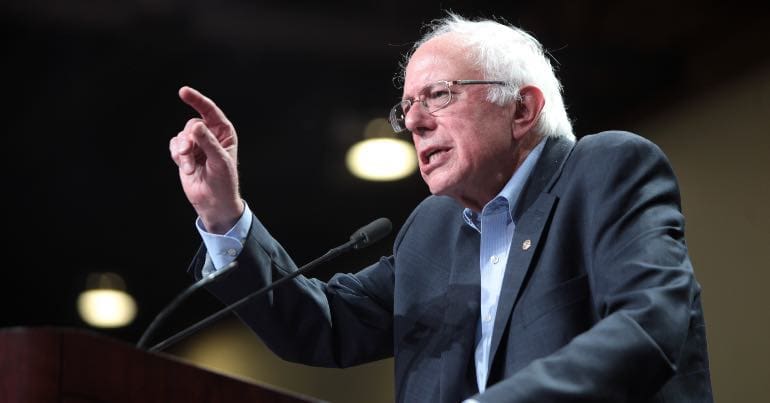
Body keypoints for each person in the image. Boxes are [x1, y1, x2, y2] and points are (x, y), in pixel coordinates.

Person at [168, 14, 712, 403]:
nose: (414, 122)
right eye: (407, 106)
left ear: (522, 108)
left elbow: (649, 322)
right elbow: (325, 325)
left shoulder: (605, 170)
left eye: (440, 95)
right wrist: (223, 212)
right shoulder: (433, 228)